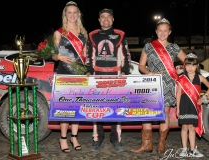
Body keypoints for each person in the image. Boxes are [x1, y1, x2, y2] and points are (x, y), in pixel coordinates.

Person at [131, 18, 186, 153]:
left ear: (169, 32)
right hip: (151, 81)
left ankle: (161, 143)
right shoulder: (149, 46)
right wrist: (149, 72)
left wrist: (180, 70)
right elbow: (141, 66)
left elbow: (188, 61)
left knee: (165, 113)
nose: (162, 33)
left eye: (165, 31)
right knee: (147, 113)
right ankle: (147, 144)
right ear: (156, 31)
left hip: (168, 82)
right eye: (160, 30)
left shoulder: (174, 47)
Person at [85, 8, 130, 152]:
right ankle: (97, 138)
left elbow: (126, 56)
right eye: (102, 17)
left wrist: (124, 71)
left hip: (115, 77)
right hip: (97, 77)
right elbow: (88, 57)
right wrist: (88, 71)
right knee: (97, 109)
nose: (105, 19)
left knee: (116, 108)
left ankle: (116, 139)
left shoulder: (120, 35)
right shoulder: (92, 36)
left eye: (108, 17)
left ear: (113, 19)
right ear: (99, 20)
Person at [52, 1, 88, 153]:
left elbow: (85, 57)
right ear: (65, 15)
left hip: (79, 74)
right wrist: (59, 57)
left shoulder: (83, 32)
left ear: (78, 14)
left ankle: (74, 136)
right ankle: (63, 138)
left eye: (75, 12)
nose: (72, 15)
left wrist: (87, 70)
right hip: (64, 73)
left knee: (77, 107)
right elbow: (52, 55)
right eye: (69, 12)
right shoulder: (59, 32)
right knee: (65, 109)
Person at [176, 52, 209, 158]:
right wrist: (178, 107)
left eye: (193, 65)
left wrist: (203, 98)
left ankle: (193, 149)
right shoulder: (181, 78)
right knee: (184, 127)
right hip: (184, 105)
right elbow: (178, 94)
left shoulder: (200, 77)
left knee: (192, 128)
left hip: (194, 106)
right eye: (188, 65)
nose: (190, 68)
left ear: (197, 66)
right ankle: (184, 149)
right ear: (184, 66)